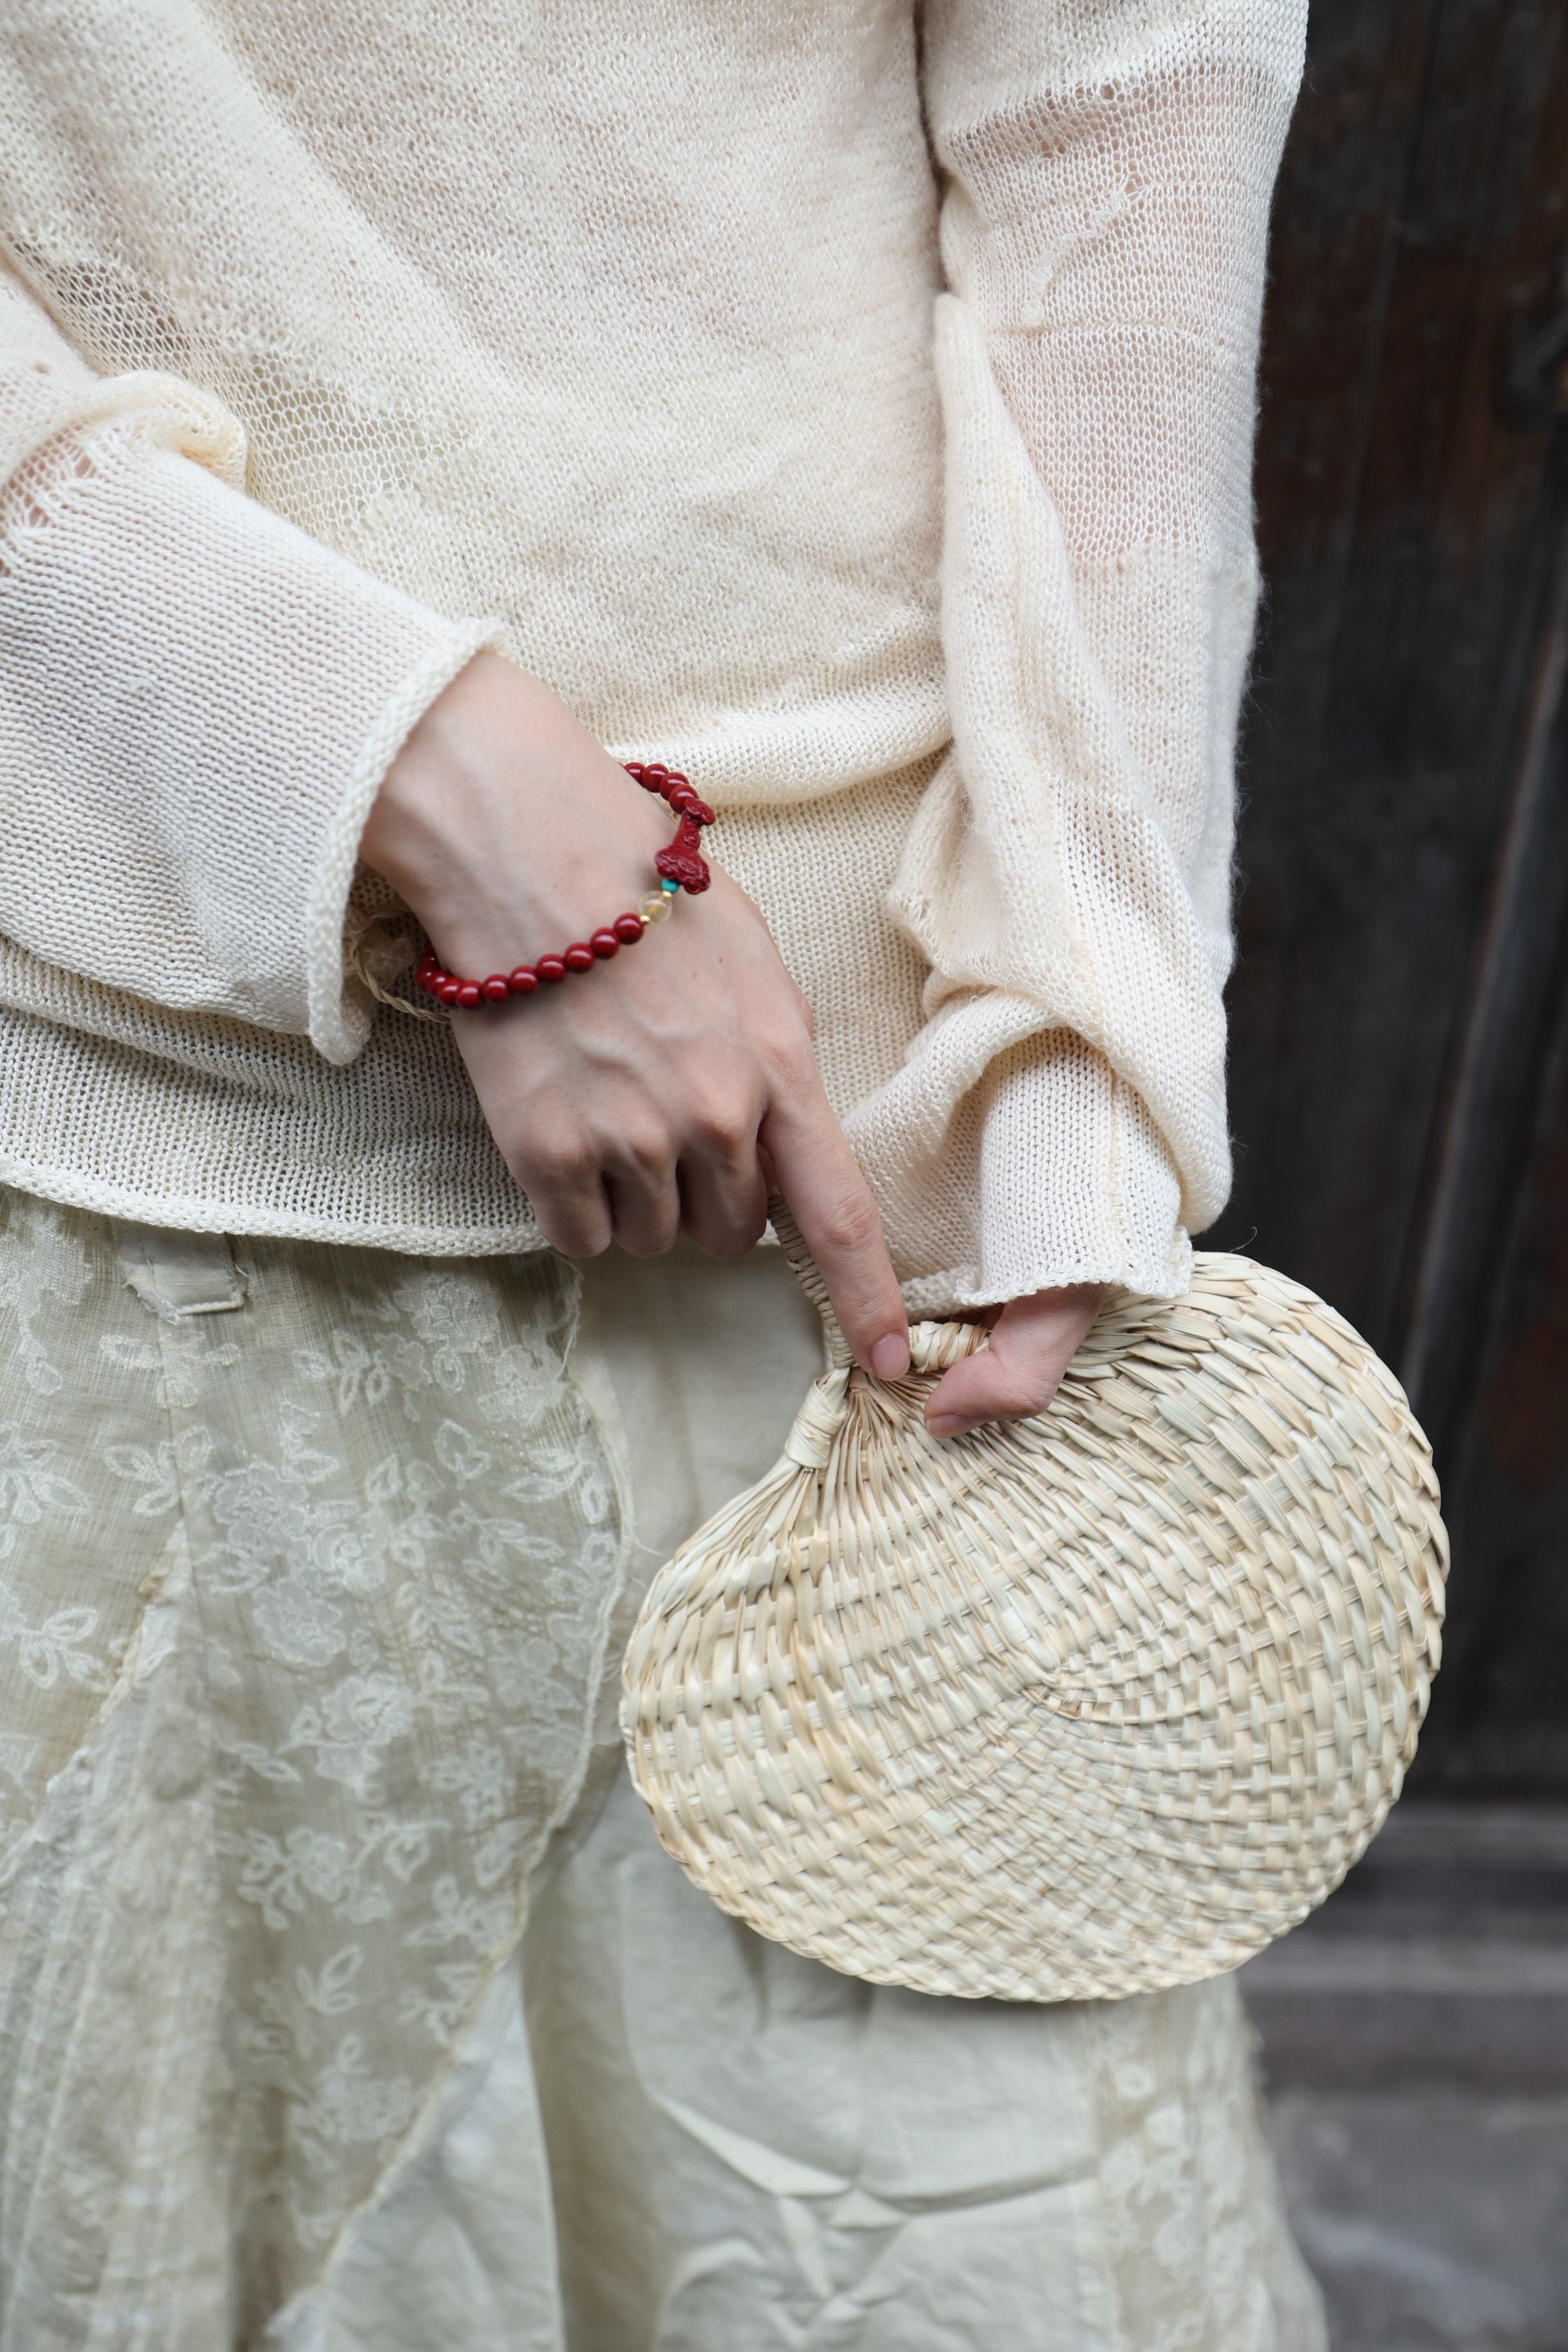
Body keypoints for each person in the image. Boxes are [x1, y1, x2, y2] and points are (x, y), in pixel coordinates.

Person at [0, 2, 1326, 2344]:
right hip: (114, 1206)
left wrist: (1078, 1068)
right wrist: (398, 772)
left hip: (846, 1243)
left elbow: (1120, 112)